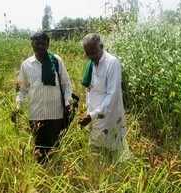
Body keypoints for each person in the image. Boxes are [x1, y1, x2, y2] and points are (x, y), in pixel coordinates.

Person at [14, 32, 72, 163]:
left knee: (55, 151)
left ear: (48, 44)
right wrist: (18, 106)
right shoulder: (26, 65)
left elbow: (66, 84)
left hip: (56, 115)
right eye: (37, 43)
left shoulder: (56, 60)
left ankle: (55, 176)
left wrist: (68, 103)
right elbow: (22, 90)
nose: (40, 46)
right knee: (39, 153)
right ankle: (41, 178)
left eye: (43, 43)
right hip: (36, 116)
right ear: (32, 44)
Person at [78, 33, 128, 161]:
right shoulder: (91, 64)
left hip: (109, 116)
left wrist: (92, 115)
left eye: (94, 52)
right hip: (94, 115)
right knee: (96, 152)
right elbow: (91, 90)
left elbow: (112, 95)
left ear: (101, 46)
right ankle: (99, 177)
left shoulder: (112, 63)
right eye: (88, 54)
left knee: (113, 152)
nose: (91, 56)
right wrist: (88, 111)